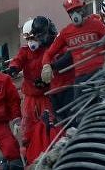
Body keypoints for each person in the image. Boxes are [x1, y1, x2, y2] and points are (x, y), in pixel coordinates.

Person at [5, 16, 66, 164]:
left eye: (33, 37)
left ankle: (52, 156)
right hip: (30, 98)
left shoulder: (48, 49)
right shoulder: (25, 51)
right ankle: (28, 158)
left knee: (49, 126)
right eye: (28, 38)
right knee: (28, 129)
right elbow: (18, 60)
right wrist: (13, 68)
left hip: (46, 96)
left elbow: (53, 65)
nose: (31, 41)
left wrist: (45, 82)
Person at [41, 0, 105, 115]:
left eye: (77, 10)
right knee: (80, 114)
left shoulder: (97, 24)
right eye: (71, 12)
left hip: (100, 73)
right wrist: (46, 66)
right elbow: (49, 53)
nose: (75, 15)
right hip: (80, 78)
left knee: (103, 105)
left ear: (83, 9)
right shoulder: (66, 32)